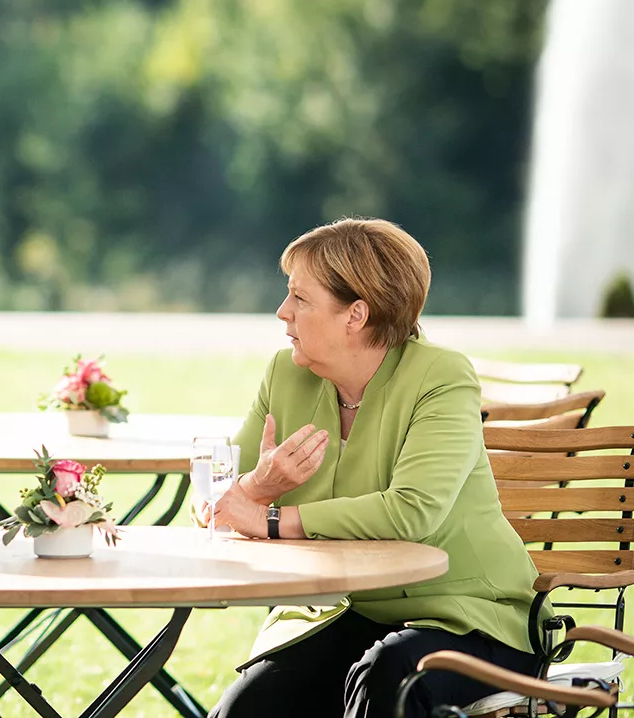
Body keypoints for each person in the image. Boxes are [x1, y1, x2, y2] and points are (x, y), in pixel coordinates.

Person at [206, 218, 546, 718]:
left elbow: (413, 512)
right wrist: (259, 487)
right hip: (354, 612)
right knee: (252, 705)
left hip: (471, 618)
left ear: (356, 315)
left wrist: (272, 520)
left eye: (300, 299)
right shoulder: (285, 374)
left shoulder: (441, 376)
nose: (282, 313)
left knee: (388, 674)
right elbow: (214, 502)